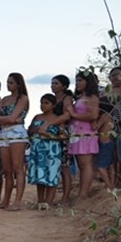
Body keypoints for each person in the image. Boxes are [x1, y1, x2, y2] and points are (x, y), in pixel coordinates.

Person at [0, 72, 30, 211]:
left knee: (17, 167)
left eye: (11, 82)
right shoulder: (5, 99)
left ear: (19, 84)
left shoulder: (23, 98)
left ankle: (18, 201)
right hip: (4, 132)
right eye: (7, 82)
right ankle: (6, 200)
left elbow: (11, 117)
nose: (9, 85)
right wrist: (8, 119)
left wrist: (7, 118)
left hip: (16, 132)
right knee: (6, 170)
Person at [67, 69, 100, 201]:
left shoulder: (91, 98)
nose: (78, 83)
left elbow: (93, 115)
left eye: (80, 80)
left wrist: (74, 114)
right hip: (77, 133)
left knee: (85, 164)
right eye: (77, 81)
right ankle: (81, 192)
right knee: (81, 165)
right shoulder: (80, 98)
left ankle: (84, 193)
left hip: (85, 134)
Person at [27, 94, 64, 210]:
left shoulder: (58, 118)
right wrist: (34, 130)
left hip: (52, 150)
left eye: (46, 103)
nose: (43, 105)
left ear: (53, 105)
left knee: (52, 174)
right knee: (40, 174)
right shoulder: (37, 117)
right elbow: (29, 130)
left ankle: (49, 201)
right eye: (41, 103)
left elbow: (63, 136)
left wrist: (48, 135)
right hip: (38, 149)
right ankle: (40, 201)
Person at [49, 75, 75, 205]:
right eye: (52, 83)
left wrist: (51, 123)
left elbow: (67, 114)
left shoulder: (67, 98)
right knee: (55, 166)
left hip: (62, 134)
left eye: (56, 83)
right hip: (52, 135)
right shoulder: (52, 99)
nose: (53, 85)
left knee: (65, 167)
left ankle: (65, 197)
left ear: (64, 86)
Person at [101, 67, 121, 188]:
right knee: (114, 154)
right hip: (111, 126)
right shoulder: (106, 92)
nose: (116, 78)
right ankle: (117, 180)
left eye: (119, 75)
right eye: (113, 76)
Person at [95, 107, 117, 199]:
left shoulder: (105, 115)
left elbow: (96, 127)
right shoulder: (110, 116)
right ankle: (111, 184)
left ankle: (110, 186)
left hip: (105, 143)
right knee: (110, 164)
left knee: (100, 167)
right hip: (109, 142)